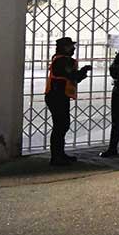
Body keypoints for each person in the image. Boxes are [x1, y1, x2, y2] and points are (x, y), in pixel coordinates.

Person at [45, 37, 92, 166]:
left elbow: (72, 77)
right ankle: (56, 157)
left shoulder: (62, 60)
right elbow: (72, 76)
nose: (73, 48)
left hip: (59, 96)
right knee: (60, 126)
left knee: (62, 125)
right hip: (56, 97)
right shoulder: (62, 61)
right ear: (64, 47)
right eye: (71, 46)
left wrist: (81, 72)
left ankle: (60, 154)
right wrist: (83, 71)